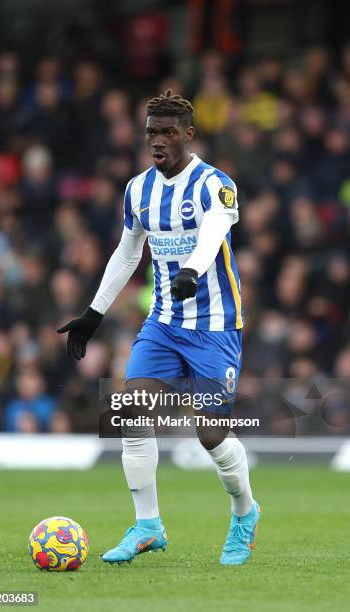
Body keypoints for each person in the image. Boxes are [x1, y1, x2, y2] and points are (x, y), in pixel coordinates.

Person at [58, 90, 260, 566]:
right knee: (131, 413)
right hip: (164, 324)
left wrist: (191, 269)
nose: (158, 140)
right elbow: (128, 252)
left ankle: (244, 513)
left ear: (189, 135)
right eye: (151, 131)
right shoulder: (137, 190)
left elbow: (213, 233)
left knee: (211, 435)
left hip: (215, 325)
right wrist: (94, 312)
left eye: (168, 131)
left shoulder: (216, 184)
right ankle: (148, 526)